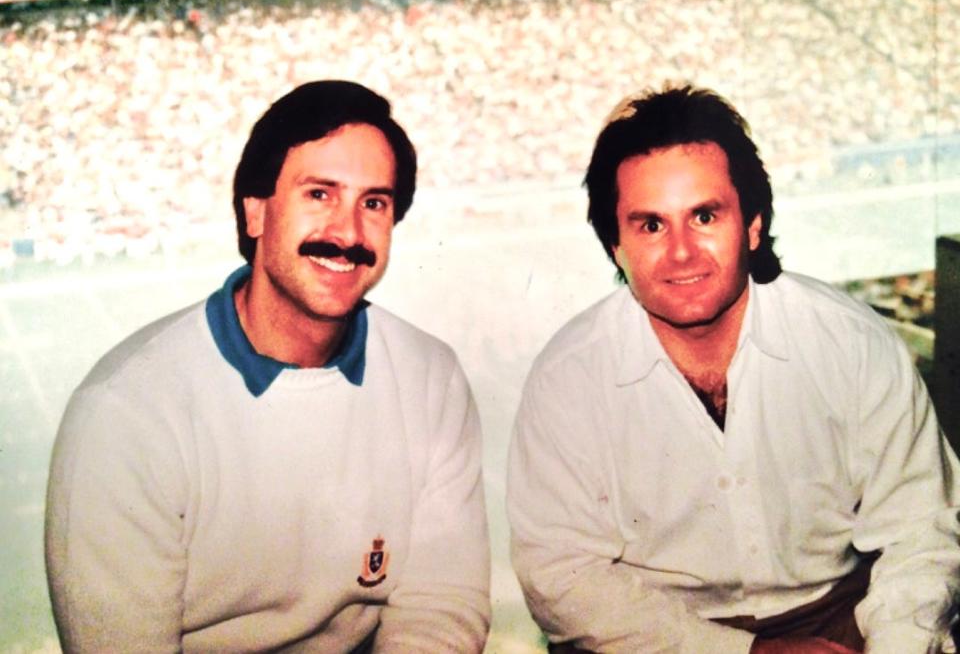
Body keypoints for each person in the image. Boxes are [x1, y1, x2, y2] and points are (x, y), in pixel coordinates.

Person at [506, 84, 960, 654]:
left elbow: (920, 532)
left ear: (750, 224)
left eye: (704, 215)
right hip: (650, 635)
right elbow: (562, 578)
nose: (682, 253)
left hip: (844, 618)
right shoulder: (566, 379)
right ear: (615, 245)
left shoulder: (852, 343)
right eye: (650, 225)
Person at [45, 80, 491, 652]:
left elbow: (440, 609)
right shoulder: (127, 413)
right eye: (319, 194)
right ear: (255, 212)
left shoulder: (432, 377)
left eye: (373, 203)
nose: (348, 232)